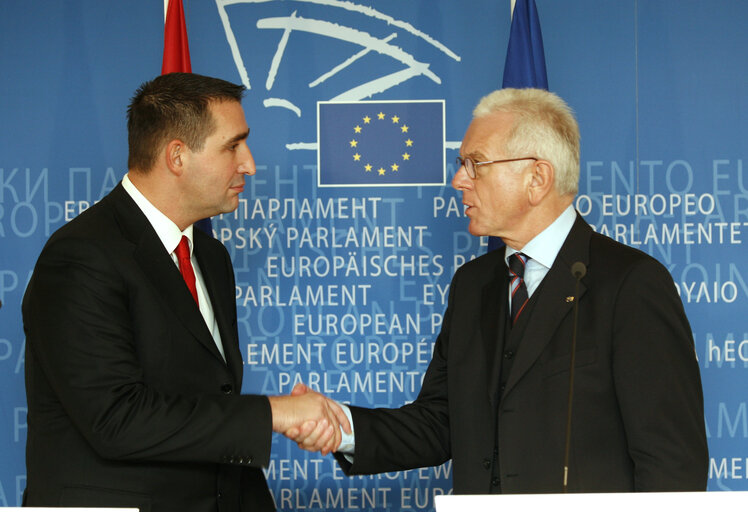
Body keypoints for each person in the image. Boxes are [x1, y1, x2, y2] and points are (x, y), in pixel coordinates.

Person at [289, 88, 708, 493]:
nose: (458, 180)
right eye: (461, 163)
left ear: (537, 177)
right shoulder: (473, 285)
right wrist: (340, 426)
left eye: (475, 163)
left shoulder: (631, 284)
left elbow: (672, 463)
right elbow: (440, 422)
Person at [22, 72, 349, 511]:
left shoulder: (210, 257)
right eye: (233, 146)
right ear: (177, 156)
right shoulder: (81, 256)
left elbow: (210, 400)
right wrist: (273, 413)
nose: (249, 163)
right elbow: (116, 419)